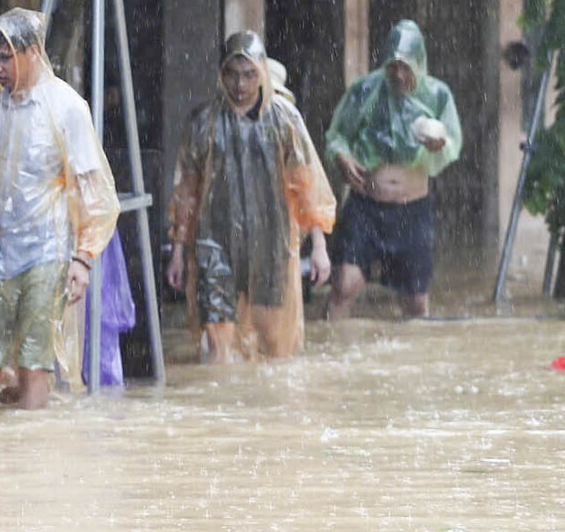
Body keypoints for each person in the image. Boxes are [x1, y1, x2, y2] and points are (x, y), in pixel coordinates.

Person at [0, 8, 119, 409]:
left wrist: (83, 258)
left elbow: (93, 189)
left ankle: (32, 445)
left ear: (32, 52)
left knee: (34, 357)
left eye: (6, 56)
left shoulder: (66, 106)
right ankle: (17, 412)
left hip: (47, 252)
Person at [165, 31, 337, 362]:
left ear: (261, 72)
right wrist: (178, 251)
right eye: (232, 74)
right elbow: (186, 192)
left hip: (271, 243)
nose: (240, 84)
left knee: (273, 342)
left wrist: (319, 247)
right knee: (218, 341)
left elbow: (307, 187)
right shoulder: (204, 123)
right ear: (221, 74)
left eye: (248, 74)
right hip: (214, 244)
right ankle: (223, 407)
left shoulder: (285, 119)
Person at [323, 18, 462, 319]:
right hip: (365, 207)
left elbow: (453, 142)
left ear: (420, 64)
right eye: (393, 66)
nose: (398, 75)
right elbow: (336, 136)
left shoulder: (437, 96)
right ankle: (331, 352)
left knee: (415, 301)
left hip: (412, 211)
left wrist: (440, 144)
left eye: (406, 67)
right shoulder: (366, 91)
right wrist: (342, 157)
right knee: (344, 285)